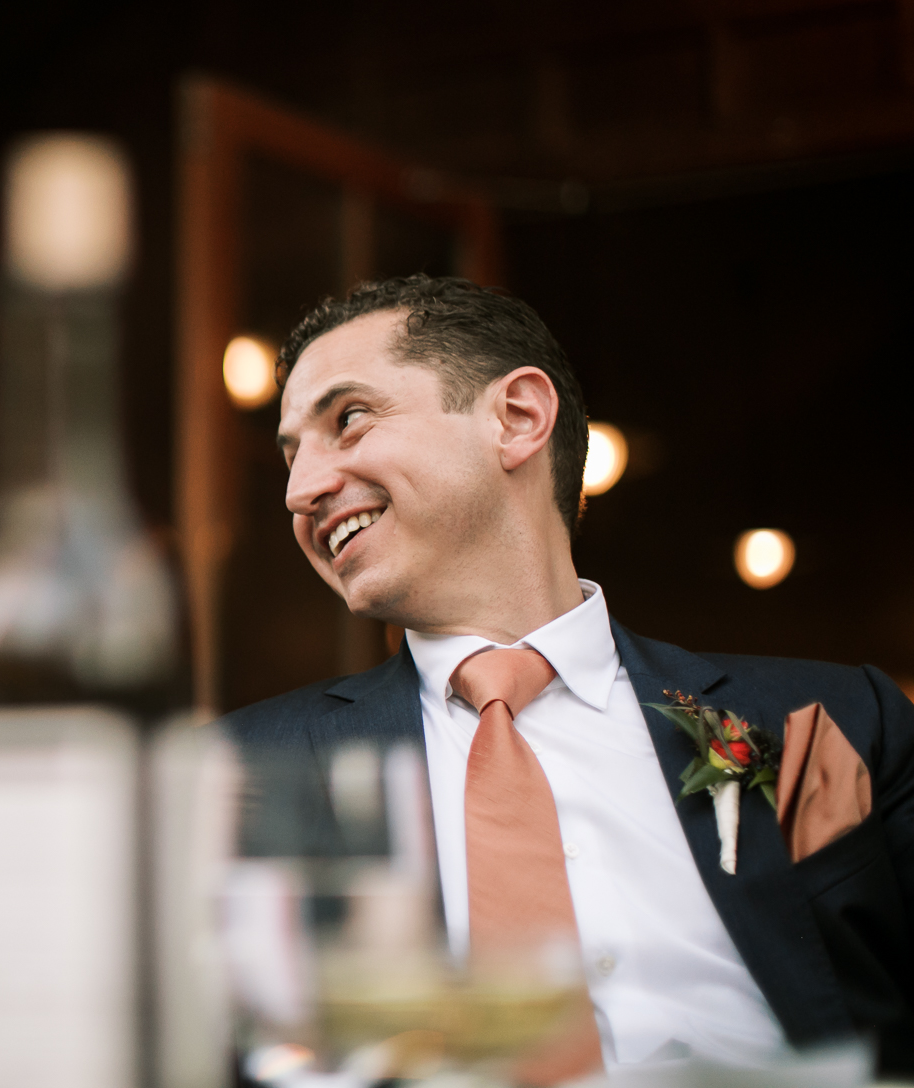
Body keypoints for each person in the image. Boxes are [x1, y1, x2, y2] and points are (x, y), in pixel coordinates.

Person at [223, 275, 914, 1078]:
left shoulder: (816, 723)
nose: (299, 490)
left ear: (516, 419)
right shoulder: (241, 772)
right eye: (290, 454)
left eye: (348, 420)